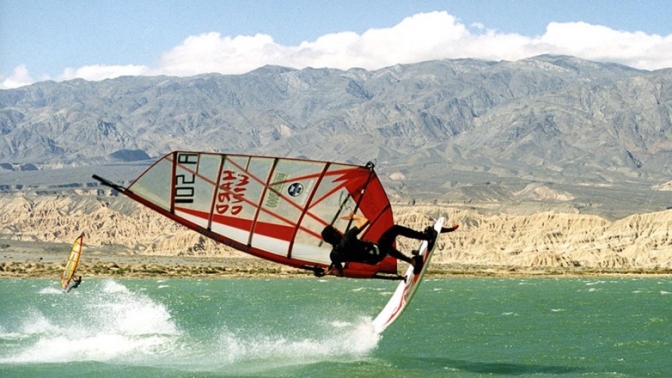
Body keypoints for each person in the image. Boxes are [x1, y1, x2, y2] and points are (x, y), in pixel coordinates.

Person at [321, 211, 457, 277]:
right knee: (395, 229)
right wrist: (354, 216)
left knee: (385, 246)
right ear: (335, 233)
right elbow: (365, 221)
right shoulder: (347, 237)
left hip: (372, 260)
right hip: (377, 252)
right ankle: (427, 237)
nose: (338, 229)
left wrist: (329, 272)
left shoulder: (334, 255)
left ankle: (412, 261)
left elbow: (340, 273)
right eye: (335, 229)